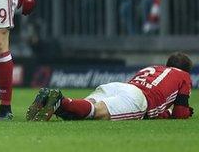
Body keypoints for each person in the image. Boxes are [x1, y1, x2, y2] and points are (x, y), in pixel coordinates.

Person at [27, 52, 194, 121]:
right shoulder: (184, 76)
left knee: (86, 107)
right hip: (138, 98)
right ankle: (61, 101)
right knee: (95, 112)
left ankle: (53, 99)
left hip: (117, 86)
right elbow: (180, 112)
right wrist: (173, 112)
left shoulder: (153, 68)